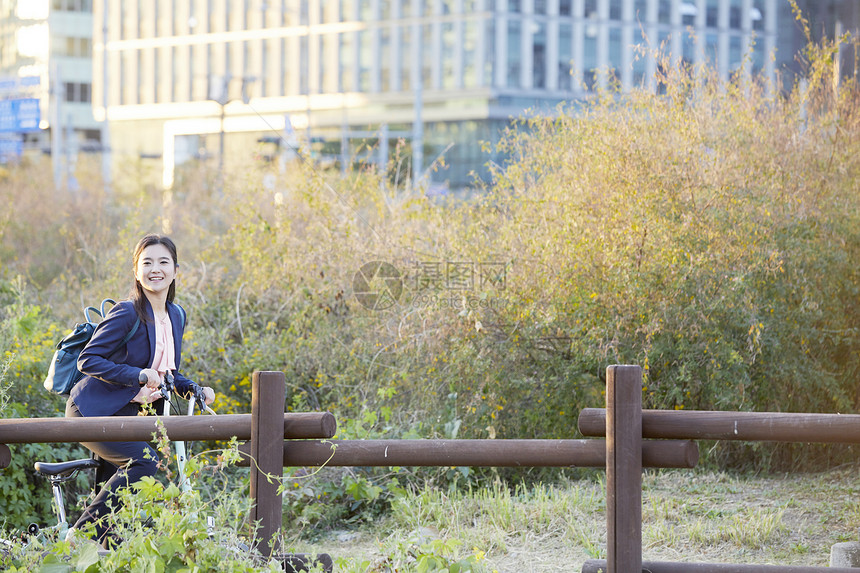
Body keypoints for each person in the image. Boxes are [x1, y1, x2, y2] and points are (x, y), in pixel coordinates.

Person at [65, 233, 215, 547]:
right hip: (93, 409)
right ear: (136, 271)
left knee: (117, 495)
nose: (155, 269)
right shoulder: (126, 312)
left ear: (176, 270)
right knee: (146, 463)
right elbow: (87, 360)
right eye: (146, 262)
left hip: (127, 414)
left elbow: (167, 370)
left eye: (163, 262)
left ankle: (107, 556)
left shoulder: (176, 315)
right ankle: (77, 539)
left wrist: (194, 389)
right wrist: (137, 375)